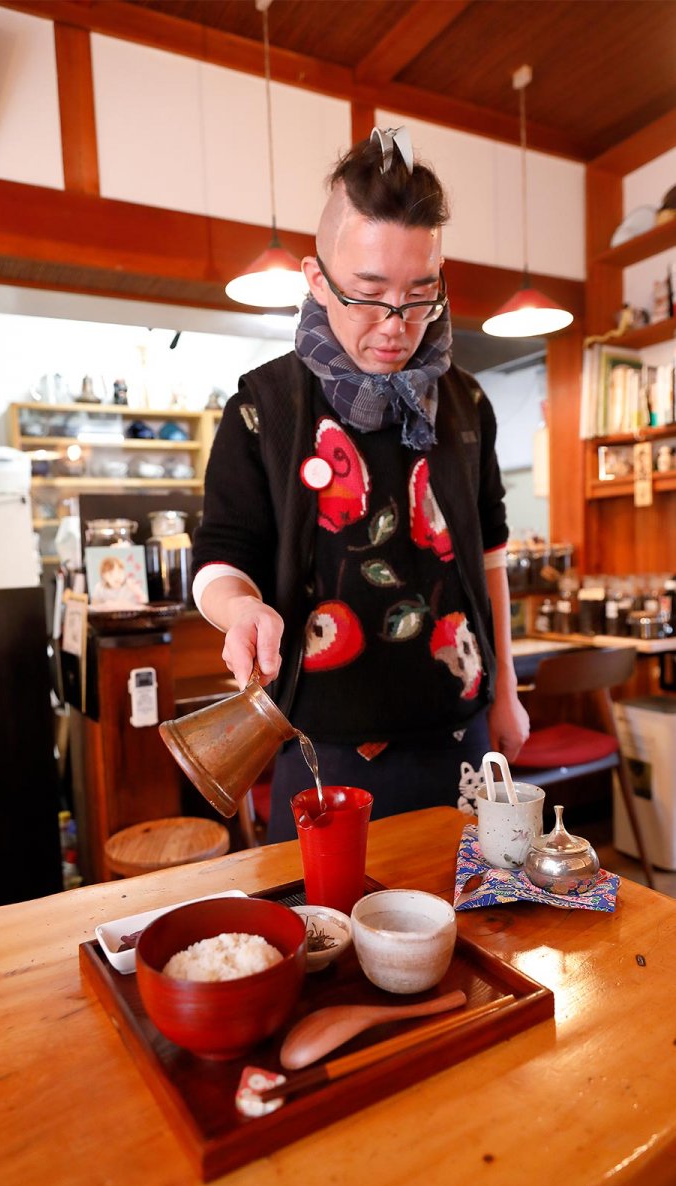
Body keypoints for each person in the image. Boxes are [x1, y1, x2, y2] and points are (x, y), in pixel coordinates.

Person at [192, 127, 529, 843]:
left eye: (420, 294)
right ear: (318, 280)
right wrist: (239, 610)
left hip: (462, 745)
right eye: (369, 294)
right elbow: (222, 555)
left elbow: (490, 554)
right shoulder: (266, 408)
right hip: (323, 756)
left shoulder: (465, 405)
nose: (395, 325)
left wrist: (508, 691)